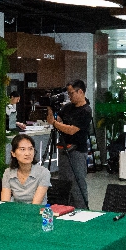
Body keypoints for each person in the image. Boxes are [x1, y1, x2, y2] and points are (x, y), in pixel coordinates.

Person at [47, 79, 93, 209]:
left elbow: (72, 130)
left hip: (77, 151)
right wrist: (50, 109)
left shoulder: (86, 111)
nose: (69, 96)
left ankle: (82, 209)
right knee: (64, 181)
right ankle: (64, 208)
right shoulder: (67, 107)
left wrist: (55, 123)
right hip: (63, 149)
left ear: (80, 92)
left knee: (77, 183)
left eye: (71, 93)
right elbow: (55, 119)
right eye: (68, 93)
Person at [0, 133, 50, 204]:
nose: (27, 153)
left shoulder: (43, 172)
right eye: (22, 149)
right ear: (13, 153)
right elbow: (5, 203)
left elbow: (35, 205)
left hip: (36, 210)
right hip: (14, 209)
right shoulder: (8, 172)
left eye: (30, 149)